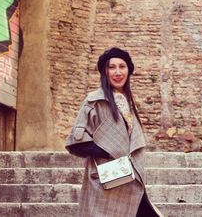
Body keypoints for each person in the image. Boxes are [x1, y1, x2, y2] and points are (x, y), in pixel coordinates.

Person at [66, 47, 163, 217]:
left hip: (131, 179)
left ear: (128, 70)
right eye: (112, 67)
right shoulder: (94, 101)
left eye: (122, 66)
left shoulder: (128, 102)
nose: (117, 72)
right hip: (107, 181)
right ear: (104, 72)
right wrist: (109, 151)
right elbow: (76, 142)